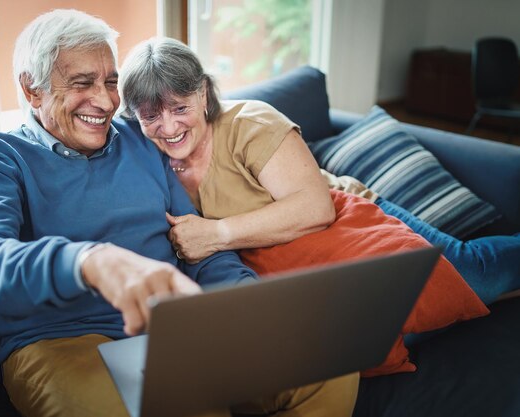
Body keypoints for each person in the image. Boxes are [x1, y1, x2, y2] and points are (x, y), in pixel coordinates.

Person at [0, 10, 358, 417]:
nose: (105, 100)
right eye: (82, 83)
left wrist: (242, 301)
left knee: (329, 365)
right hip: (61, 340)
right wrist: (88, 262)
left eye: (111, 82)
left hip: (172, 326)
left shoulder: (140, 139)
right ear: (32, 90)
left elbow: (197, 246)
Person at [119, 37, 520, 306]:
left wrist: (217, 234)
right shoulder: (147, 155)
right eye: (151, 115)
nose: (168, 128)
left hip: (348, 220)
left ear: (203, 93)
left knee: (475, 274)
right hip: (288, 257)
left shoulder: (249, 123)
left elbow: (316, 208)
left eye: (180, 109)